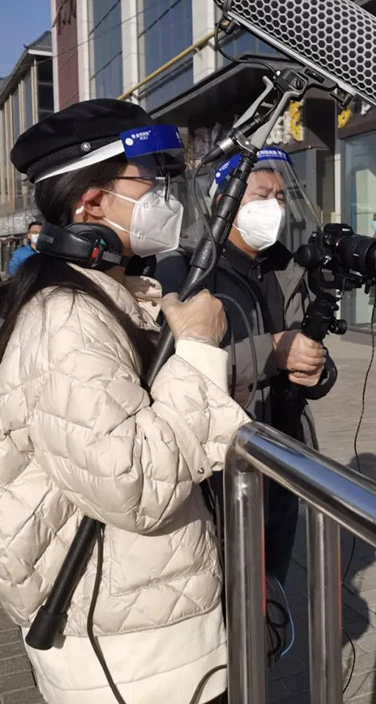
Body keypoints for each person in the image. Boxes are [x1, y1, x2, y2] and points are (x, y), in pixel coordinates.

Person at [0, 99, 249, 703]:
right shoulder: (66, 318)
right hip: (128, 657)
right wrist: (198, 346)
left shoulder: (103, 294)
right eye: (148, 176)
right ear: (93, 202)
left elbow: (144, 398)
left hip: (149, 629)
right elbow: (137, 484)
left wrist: (260, 356)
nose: (163, 193)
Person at [156, 146, 332, 585]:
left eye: (280, 197)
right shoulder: (189, 269)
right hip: (222, 459)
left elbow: (305, 347)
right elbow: (174, 370)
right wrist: (270, 351)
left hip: (285, 449)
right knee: (228, 581)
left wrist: (318, 370)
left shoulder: (286, 268)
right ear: (226, 200)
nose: (274, 208)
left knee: (271, 578)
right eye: (261, 196)